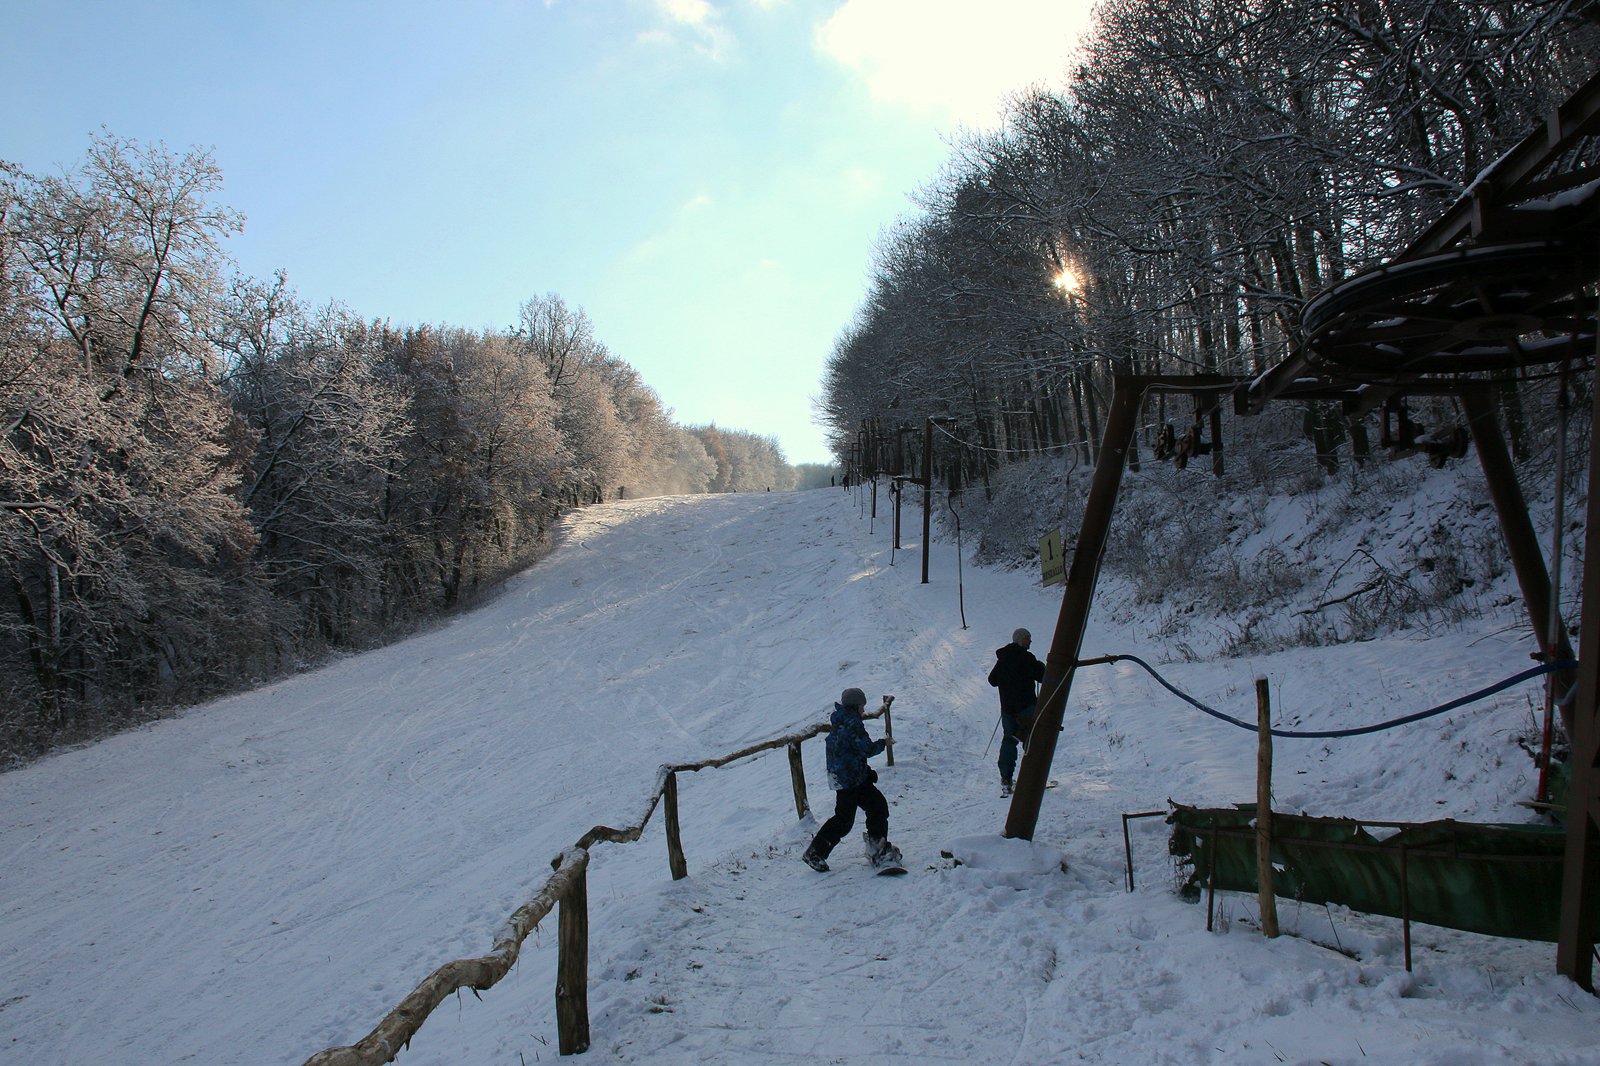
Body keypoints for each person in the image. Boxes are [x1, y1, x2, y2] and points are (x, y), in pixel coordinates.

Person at [802, 687, 901, 871]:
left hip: (849, 776)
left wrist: (865, 771)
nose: (864, 709)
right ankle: (814, 853)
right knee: (844, 820)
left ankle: (876, 848)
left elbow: (849, 752)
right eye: (863, 706)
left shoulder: (840, 720)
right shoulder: (852, 723)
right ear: (856, 705)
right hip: (849, 779)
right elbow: (865, 749)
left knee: (876, 806)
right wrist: (883, 743)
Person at [988, 627, 1045, 796]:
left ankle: (1006, 779)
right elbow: (1042, 676)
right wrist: (1040, 666)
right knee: (1032, 739)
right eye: (1028, 638)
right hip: (1026, 707)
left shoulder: (1003, 658)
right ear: (1021, 640)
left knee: (1009, 740)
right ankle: (1032, 778)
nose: (1030, 641)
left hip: (1007, 709)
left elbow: (992, 680)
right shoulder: (1026, 658)